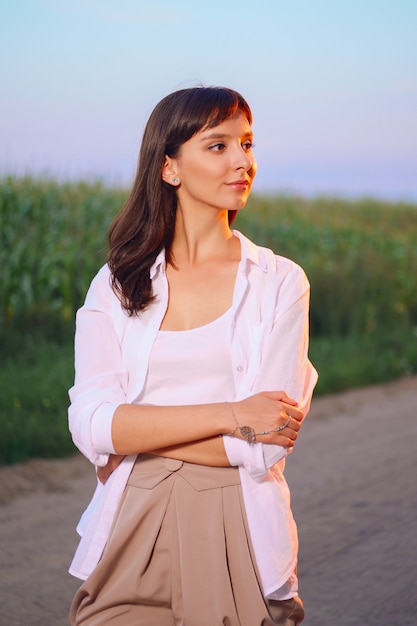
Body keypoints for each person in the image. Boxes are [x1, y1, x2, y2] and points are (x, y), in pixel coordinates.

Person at [68, 85, 318, 626]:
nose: (241, 161)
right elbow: (91, 425)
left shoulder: (280, 283)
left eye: (247, 144)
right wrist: (232, 416)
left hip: (238, 526)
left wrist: (138, 437)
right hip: (132, 520)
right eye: (218, 146)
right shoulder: (116, 286)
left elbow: (265, 446)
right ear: (169, 168)